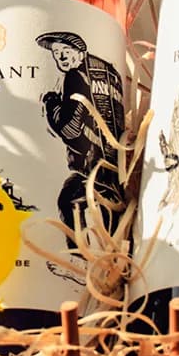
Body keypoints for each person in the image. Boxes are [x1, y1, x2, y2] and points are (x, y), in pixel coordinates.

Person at [36, 32, 127, 239]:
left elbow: (69, 129)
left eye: (66, 51)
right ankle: (108, 252)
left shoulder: (75, 76)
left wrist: (51, 103)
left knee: (68, 201)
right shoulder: (110, 73)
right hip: (114, 169)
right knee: (110, 212)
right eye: (56, 52)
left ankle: (79, 253)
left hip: (90, 166)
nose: (60, 56)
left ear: (80, 52)